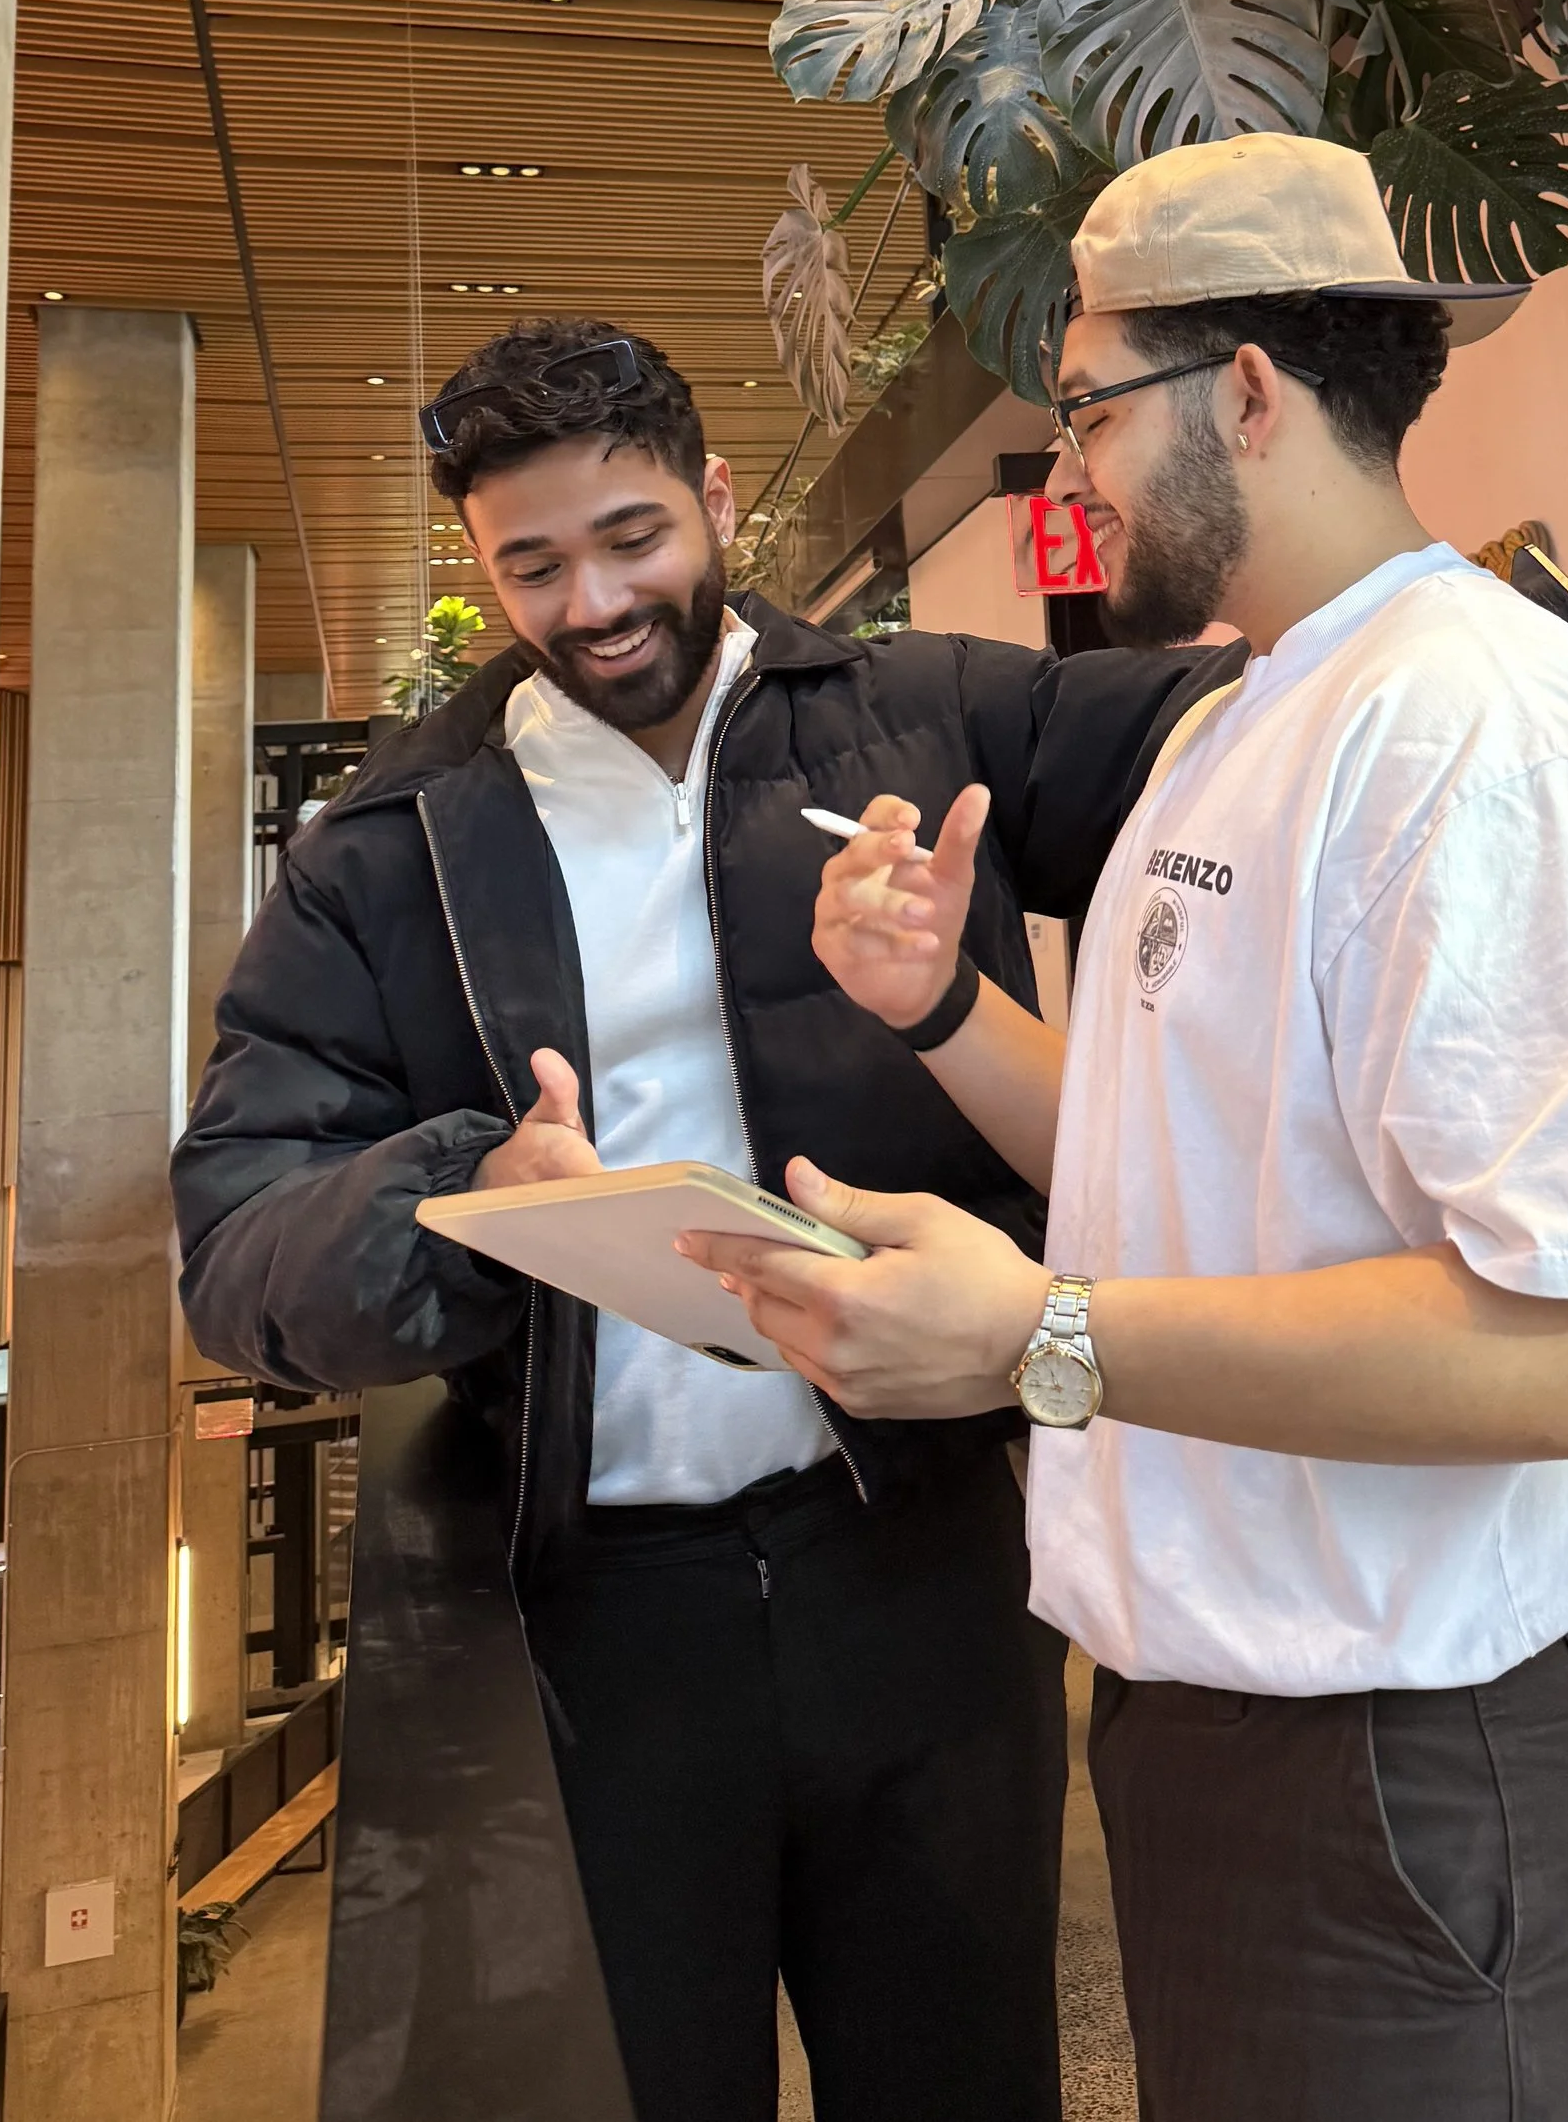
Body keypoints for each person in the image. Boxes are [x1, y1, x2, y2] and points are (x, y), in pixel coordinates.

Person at [685, 138, 1568, 2122]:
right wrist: (935, 1003)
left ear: (1246, 390)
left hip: (1436, 1746)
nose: (1066, 467)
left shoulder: (1481, 730)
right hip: (1241, 1711)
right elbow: (1179, 1160)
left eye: (1086, 406)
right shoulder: (1239, 719)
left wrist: (1036, 1337)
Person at [171, 316, 1236, 2122]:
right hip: (594, 1624)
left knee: (964, 2074)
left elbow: (1250, 734)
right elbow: (232, 1250)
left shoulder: (924, 713)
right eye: (535, 563)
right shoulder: (390, 848)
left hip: (919, 1568)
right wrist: (455, 1199)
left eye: (635, 538)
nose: (592, 601)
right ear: (481, 564)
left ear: (717, 496)